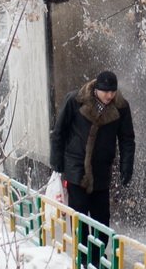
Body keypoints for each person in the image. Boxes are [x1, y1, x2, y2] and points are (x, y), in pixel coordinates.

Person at [50, 70, 135, 234]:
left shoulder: (121, 107)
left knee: (102, 221)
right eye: (106, 91)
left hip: (101, 170)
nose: (109, 95)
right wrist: (57, 161)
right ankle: (82, 257)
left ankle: (98, 256)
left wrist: (127, 167)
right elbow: (59, 132)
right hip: (76, 169)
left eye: (113, 91)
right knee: (80, 219)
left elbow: (127, 139)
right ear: (96, 89)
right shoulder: (75, 101)